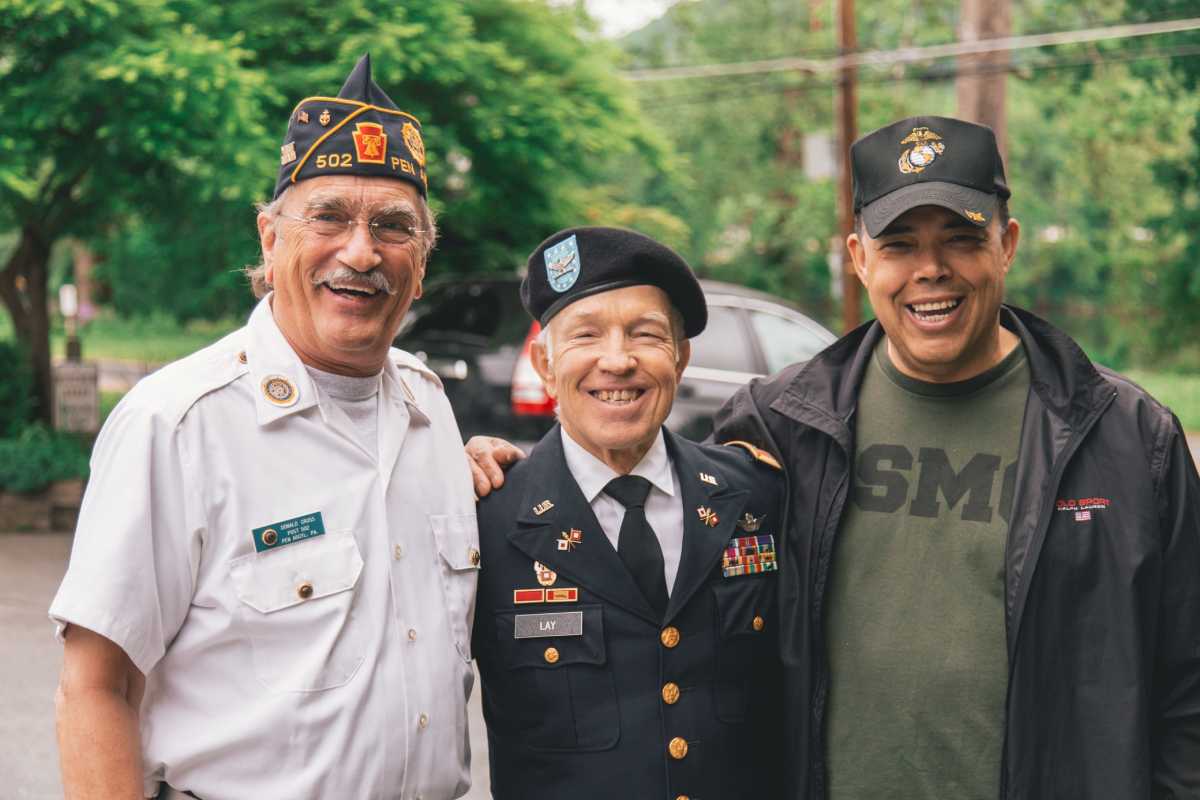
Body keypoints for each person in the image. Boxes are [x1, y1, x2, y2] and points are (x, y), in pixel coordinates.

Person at [710, 116, 1200, 798]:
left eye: (963, 239)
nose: (930, 271)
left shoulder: (1128, 437)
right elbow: (653, 569)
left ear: (1008, 245)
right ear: (859, 258)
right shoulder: (780, 427)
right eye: (900, 244)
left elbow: (1188, 688)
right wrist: (514, 474)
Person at [50, 55, 480, 799]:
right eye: (329, 217)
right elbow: (94, 690)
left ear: (421, 262)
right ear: (271, 238)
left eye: (392, 226)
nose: (361, 251)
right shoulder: (179, 423)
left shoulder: (428, 409)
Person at [471, 227, 786, 800]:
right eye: (585, 335)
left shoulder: (757, 497)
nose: (616, 361)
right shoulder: (484, 518)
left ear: (680, 357)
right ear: (544, 364)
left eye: (645, 335)